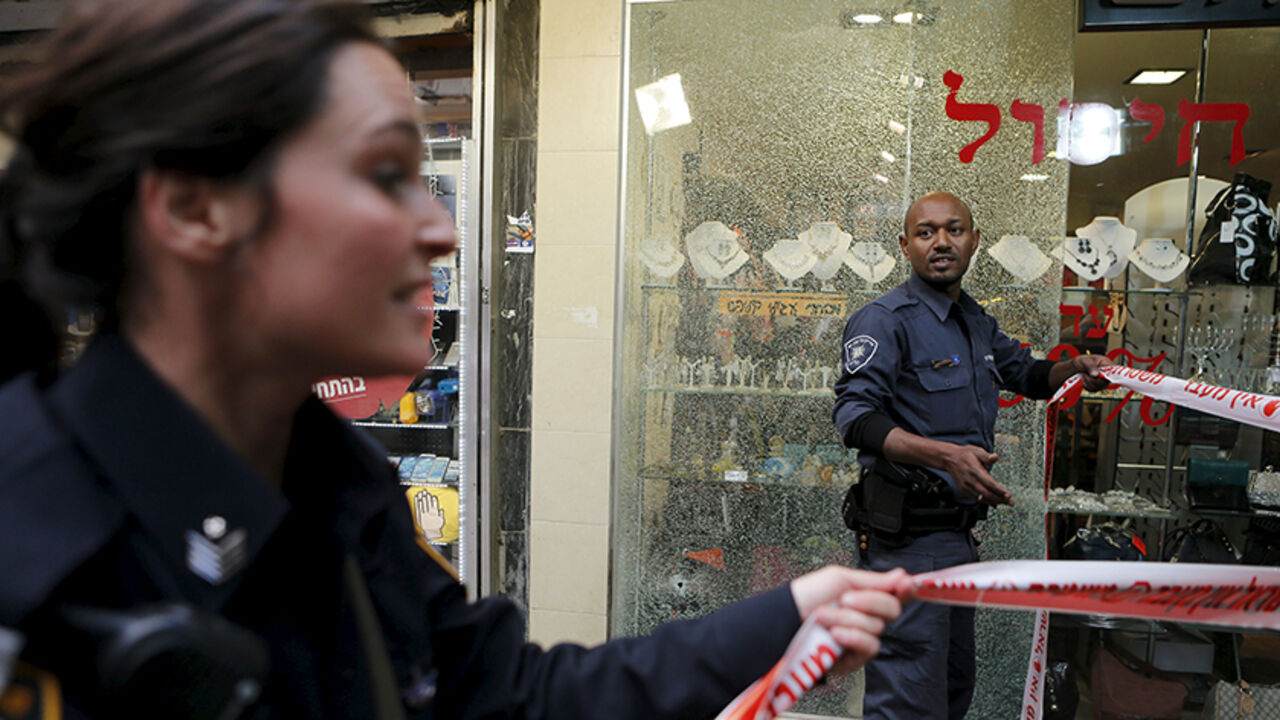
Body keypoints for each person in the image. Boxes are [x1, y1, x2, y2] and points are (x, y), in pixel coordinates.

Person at [0, 1, 914, 718]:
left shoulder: (335, 486)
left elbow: (514, 700)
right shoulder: (33, 545)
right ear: (197, 211)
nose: (438, 228)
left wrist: (785, 615)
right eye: (384, 174)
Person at [831, 192, 1110, 720]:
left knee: (953, 688)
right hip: (905, 546)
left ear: (974, 240)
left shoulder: (974, 320)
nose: (941, 242)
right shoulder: (884, 320)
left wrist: (1073, 367)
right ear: (905, 245)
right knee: (907, 700)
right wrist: (945, 457)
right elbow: (855, 420)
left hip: (957, 539)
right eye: (926, 232)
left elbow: (1026, 373)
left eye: (954, 230)